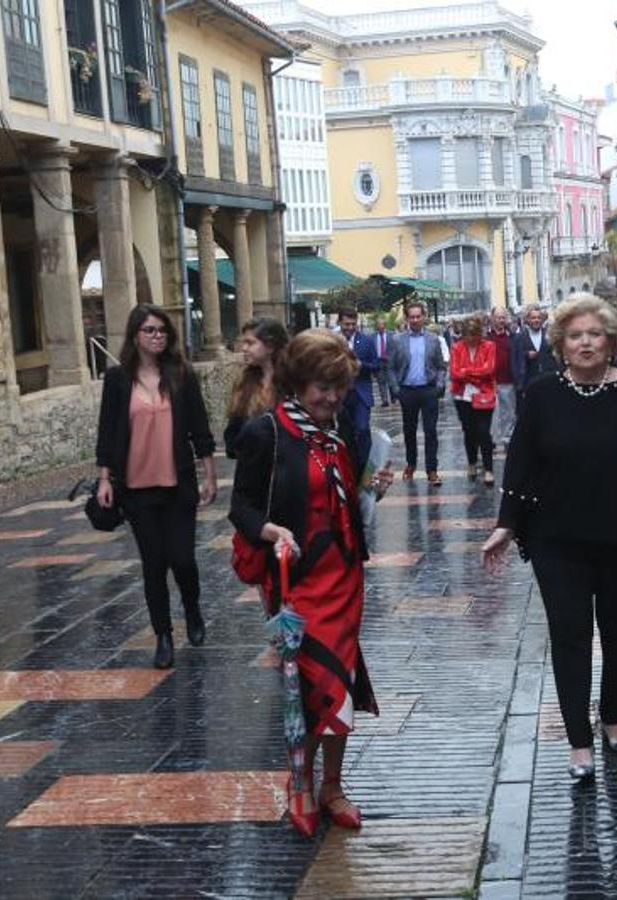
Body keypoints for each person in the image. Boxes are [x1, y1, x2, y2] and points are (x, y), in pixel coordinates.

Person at [481, 294, 617, 781]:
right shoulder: (543, 393)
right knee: (569, 636)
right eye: (575, 335)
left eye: (595, 334)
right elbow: (522, 462)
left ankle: (614, 718)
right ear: (561, 344)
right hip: (557, 538)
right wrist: (506, 526)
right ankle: (578, 740)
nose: (586, 342)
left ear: (611, 341)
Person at [229, 329, 392, 839]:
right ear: (299, 383)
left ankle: (333, 788)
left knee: (338, 684)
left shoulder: (337, 431)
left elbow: (346, 498)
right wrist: (270, 529)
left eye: (338, 387)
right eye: (322, 387)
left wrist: (372, 488)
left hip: (344, 577)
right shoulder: (267, 433)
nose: (332, 397)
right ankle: (300, 782)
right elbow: (242, 507)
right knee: (307, 686)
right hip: (295, 581)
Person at [95, 304, 217, 670]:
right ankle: (163, 636)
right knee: (153, 564)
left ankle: (192, 610)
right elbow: (107, 431)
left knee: (183, 560)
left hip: (178, 484)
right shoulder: (117, 380)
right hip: (136, 488)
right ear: (135, 335)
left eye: (162, 330)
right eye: (149, 330)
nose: (157, 336)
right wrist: (104, 478)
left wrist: (209, 473)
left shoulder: (181, 375)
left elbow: (199, 426)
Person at [388, 301, 448, 484]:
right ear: (407, 318)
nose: (415, 320)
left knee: (431, 431)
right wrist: (396, 390)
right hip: (407, 391)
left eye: (418, 316)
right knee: (409, 431)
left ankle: (432, 470)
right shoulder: (397, 340)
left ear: (423, 317)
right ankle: (411, 464)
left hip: (429, 390)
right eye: (411, 316)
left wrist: (439, 386)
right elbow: (390, 367)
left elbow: (441, 366)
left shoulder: (433, 339)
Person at [225, 316, 289, 458]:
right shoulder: (243, 381)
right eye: (244, 343)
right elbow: (233, 432)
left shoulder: (292, 382)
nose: (244, 348)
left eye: (250, 343)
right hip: (251, 467)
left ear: (270, 346)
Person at [450, 313, 498, 486]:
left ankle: (488, 469)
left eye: (474, 335)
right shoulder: (457, 347)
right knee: (469, 431)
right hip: (462, 396)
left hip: (484, 395)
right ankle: (472, 463)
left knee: (484, 432)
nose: (471, 339)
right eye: (468, 335)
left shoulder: (489, 346)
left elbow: (489, 370)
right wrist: (476, 372)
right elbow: (455, 373)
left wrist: (467, 372)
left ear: (480, 333)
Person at [337, 308, 380, 473]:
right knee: (342, 432)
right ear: (340, 322)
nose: (350, 327)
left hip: (360, 393)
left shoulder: (367, 341)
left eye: (353, 324)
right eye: (347, 324)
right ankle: (347, 467)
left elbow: (376, 365)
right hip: (339, 394)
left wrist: (362, 365)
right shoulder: (332, 341)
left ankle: (365, 467)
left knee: (362, 429)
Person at [511, 303, 558, 397]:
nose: (536, 320)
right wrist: (526, 355)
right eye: (533, 318)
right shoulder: (520, 338)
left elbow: (556, 356)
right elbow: (515, 361)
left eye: (538, 318)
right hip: (529, 381)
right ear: (527, 319)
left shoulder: (549, 335)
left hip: (548, 379)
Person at [488, 307, 517, 448]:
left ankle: (507, 438)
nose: (501, 320)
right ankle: (491, 440)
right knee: (491, 413)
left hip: (508, 379)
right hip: (489, 381)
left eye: (503, 317)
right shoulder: (486, 337)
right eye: (498, 317)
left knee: (508, 411)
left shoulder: (512, 336)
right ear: (492, 318)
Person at [373, 317, 394, 406]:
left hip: (389, 361)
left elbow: (395, 348)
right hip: (379, 361)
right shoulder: (372, 336)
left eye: (382, 324)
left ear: (384, 325)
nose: (380, 326)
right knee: (381, 382)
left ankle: (393, 397)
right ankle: (384, 400)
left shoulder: (392, 335)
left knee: (391, 380)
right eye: (378, 324)